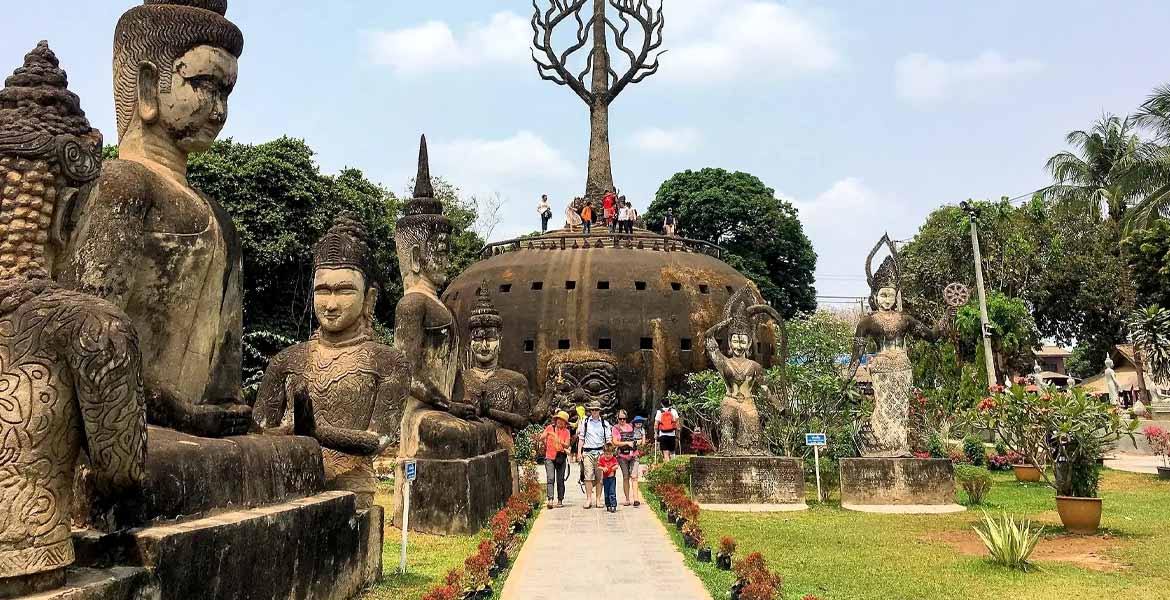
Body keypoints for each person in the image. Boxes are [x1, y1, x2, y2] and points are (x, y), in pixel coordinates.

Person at [576, 401, 612, 509]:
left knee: (600, 477)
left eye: (596, 410)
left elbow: (608, 440)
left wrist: (610, 455)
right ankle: (588, 499)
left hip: (601, 452)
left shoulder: (605, 424)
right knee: (588, 476)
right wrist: (579, 453)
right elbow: (581, 438)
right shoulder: (585, 422)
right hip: (588, 452)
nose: (594, 412)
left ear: (599, 411)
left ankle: (598, 499)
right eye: (592, 410)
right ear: (590, 411)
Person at [613, 411, 645, 507]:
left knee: (634, 476)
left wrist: (639, 441)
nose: (622, 421)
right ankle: (627, 499)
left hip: (634, 454)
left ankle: (636, 499)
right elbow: (615, 442)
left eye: (624, 419)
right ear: (617, 418)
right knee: (626, 476)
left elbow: (640, 436)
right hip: (622, 456)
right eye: (620, 419)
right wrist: (626, 443)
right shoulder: (615, 428)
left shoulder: (631, 426)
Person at [542, 411, 572, 508]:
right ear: (556, 420)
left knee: (560, 479)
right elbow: (541, 438)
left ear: (565, 423)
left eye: (563, 421)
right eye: (559, 419)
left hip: (560, 457)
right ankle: (550, 499)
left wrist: (560, 441)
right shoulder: (550, 428)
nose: (560, 422)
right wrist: (546, 435)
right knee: (550, 478)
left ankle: (560, 499)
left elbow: (567, 444)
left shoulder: (566, 432)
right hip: (549, 457)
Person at [598, 443, 620, 512]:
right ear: (604, 453)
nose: (608, 456)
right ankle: (608, 505)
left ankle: (613, 505)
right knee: (606, 493)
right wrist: (603, 468)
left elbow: (617, 466)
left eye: (610, 454)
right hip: (605, 478)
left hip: (612, 478)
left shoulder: (613, 459)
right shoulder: (602, 459)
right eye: (606, 454)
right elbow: (599, 466)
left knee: (612, 492)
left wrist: (613, 468)